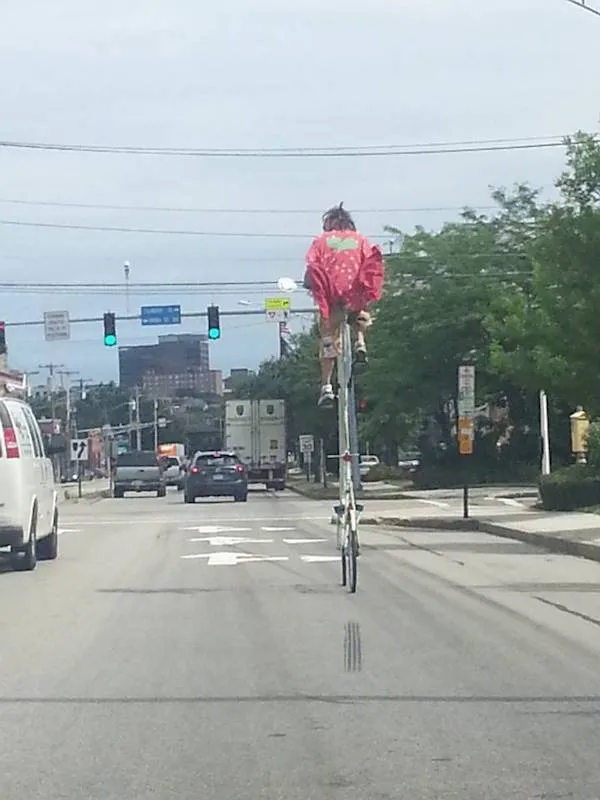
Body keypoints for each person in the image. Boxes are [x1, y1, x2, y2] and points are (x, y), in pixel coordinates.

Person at [303, 203, 384, 407]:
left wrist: (311, 284)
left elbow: (313, 267)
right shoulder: (360, 240)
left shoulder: (321, 242)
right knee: (360, 310)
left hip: (331, 293)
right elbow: (371, 263)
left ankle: (327, 387)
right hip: (354, 290)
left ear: (329, 223)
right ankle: (360, 340)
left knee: (329, 334)